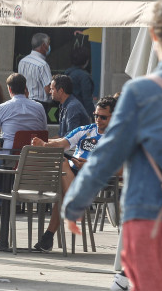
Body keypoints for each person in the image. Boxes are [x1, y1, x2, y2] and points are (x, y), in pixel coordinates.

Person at [63, 0, 162, 291]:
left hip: (150, 216)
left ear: (154, 35)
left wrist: (74, 204)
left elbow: (106, 156)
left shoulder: (141, 92)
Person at [31, 95, 117, 252]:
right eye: (96, 115)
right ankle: (49, 236)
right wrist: (44, 143)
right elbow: (62, 143)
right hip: (73, 174)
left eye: (103, 117)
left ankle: (50, 235)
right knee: (62, 165)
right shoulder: (87, 130)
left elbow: (121, 168)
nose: (98, 119)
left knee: (62, 174)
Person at [0, 73, 47, 153]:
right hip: (35, 156)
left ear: (9, 89)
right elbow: (44, 131)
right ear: (25, 88)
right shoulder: (39, 107)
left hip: (10, 158)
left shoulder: (1, 108)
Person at [18, 33, 52, 103]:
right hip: (39, 103)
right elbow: (48, 89)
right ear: (43, 45)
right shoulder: (42, 65)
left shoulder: (22, 61)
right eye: (48, 44)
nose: (49, 47)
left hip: (24, 101)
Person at [65, 49, 95, 115]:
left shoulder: (67, 74)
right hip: (80, 111)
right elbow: (87, 98)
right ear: (86, 61)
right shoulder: (84, 76)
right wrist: (93, 115)